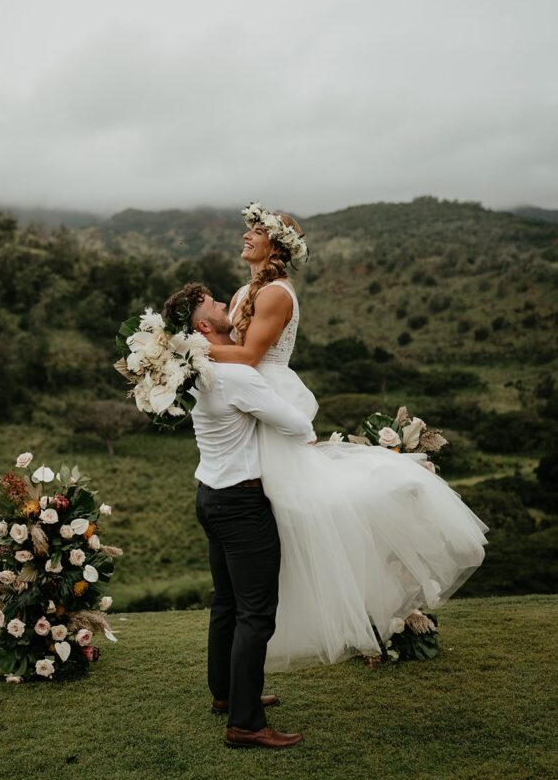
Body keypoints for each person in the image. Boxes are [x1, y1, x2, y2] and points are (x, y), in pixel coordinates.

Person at [208, 202, 489, 670]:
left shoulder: (277, 293)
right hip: (245, 394)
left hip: (267, 393)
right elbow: (234, 352)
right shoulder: (240, 293)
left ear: (275, 244)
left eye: (255, 231)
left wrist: (187, 352)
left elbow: (252, 353)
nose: (245, 237)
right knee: (263, 507)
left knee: (298, 507)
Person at [163, 283, 315, 749]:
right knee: (256, 614)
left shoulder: (199, 372)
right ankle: (246, 723)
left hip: (210, 497)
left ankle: (226, 695)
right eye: (214, 304)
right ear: (203, 327)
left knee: (226, 602)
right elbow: (299, 424)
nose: (227, 304)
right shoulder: (237, 377)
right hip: (243, 505)